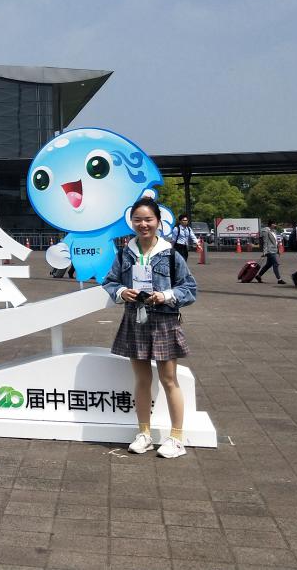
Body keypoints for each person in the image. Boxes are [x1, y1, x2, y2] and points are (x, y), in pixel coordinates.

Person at [103, 196, 198, 459]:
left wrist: (165, 295)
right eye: (138, 220)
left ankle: (176, 438)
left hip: (164, 321)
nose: (143, 224)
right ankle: (144, 434)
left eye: (148, 219)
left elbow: (190, 288)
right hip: (136, 319)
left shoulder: (171, 254)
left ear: (158, 221)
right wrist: (122, 292)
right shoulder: (124, 253)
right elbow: (110, 282)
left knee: (169, 379)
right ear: (131, 222)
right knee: (142, 380)